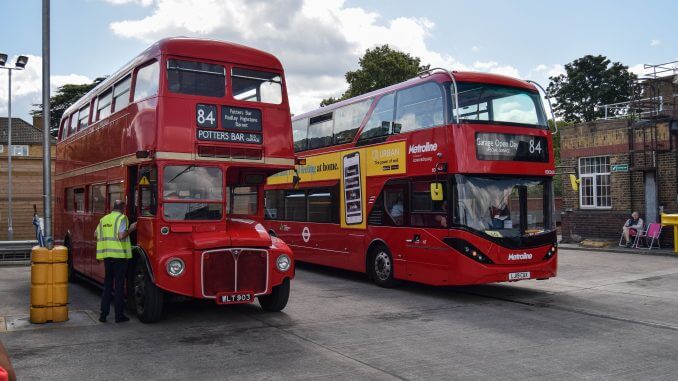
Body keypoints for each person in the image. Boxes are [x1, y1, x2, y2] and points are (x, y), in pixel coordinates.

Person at [95, 200, 137, 323]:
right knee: (118, 286)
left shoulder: (104, 219)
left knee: (107, 285)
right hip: (119, 256)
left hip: (107, 256)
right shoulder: (122, 218)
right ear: (123, 208)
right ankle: (119, 315)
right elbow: (121, 236)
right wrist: (131, 229)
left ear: (113, 207)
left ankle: (103, 315)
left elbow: (95, 234)